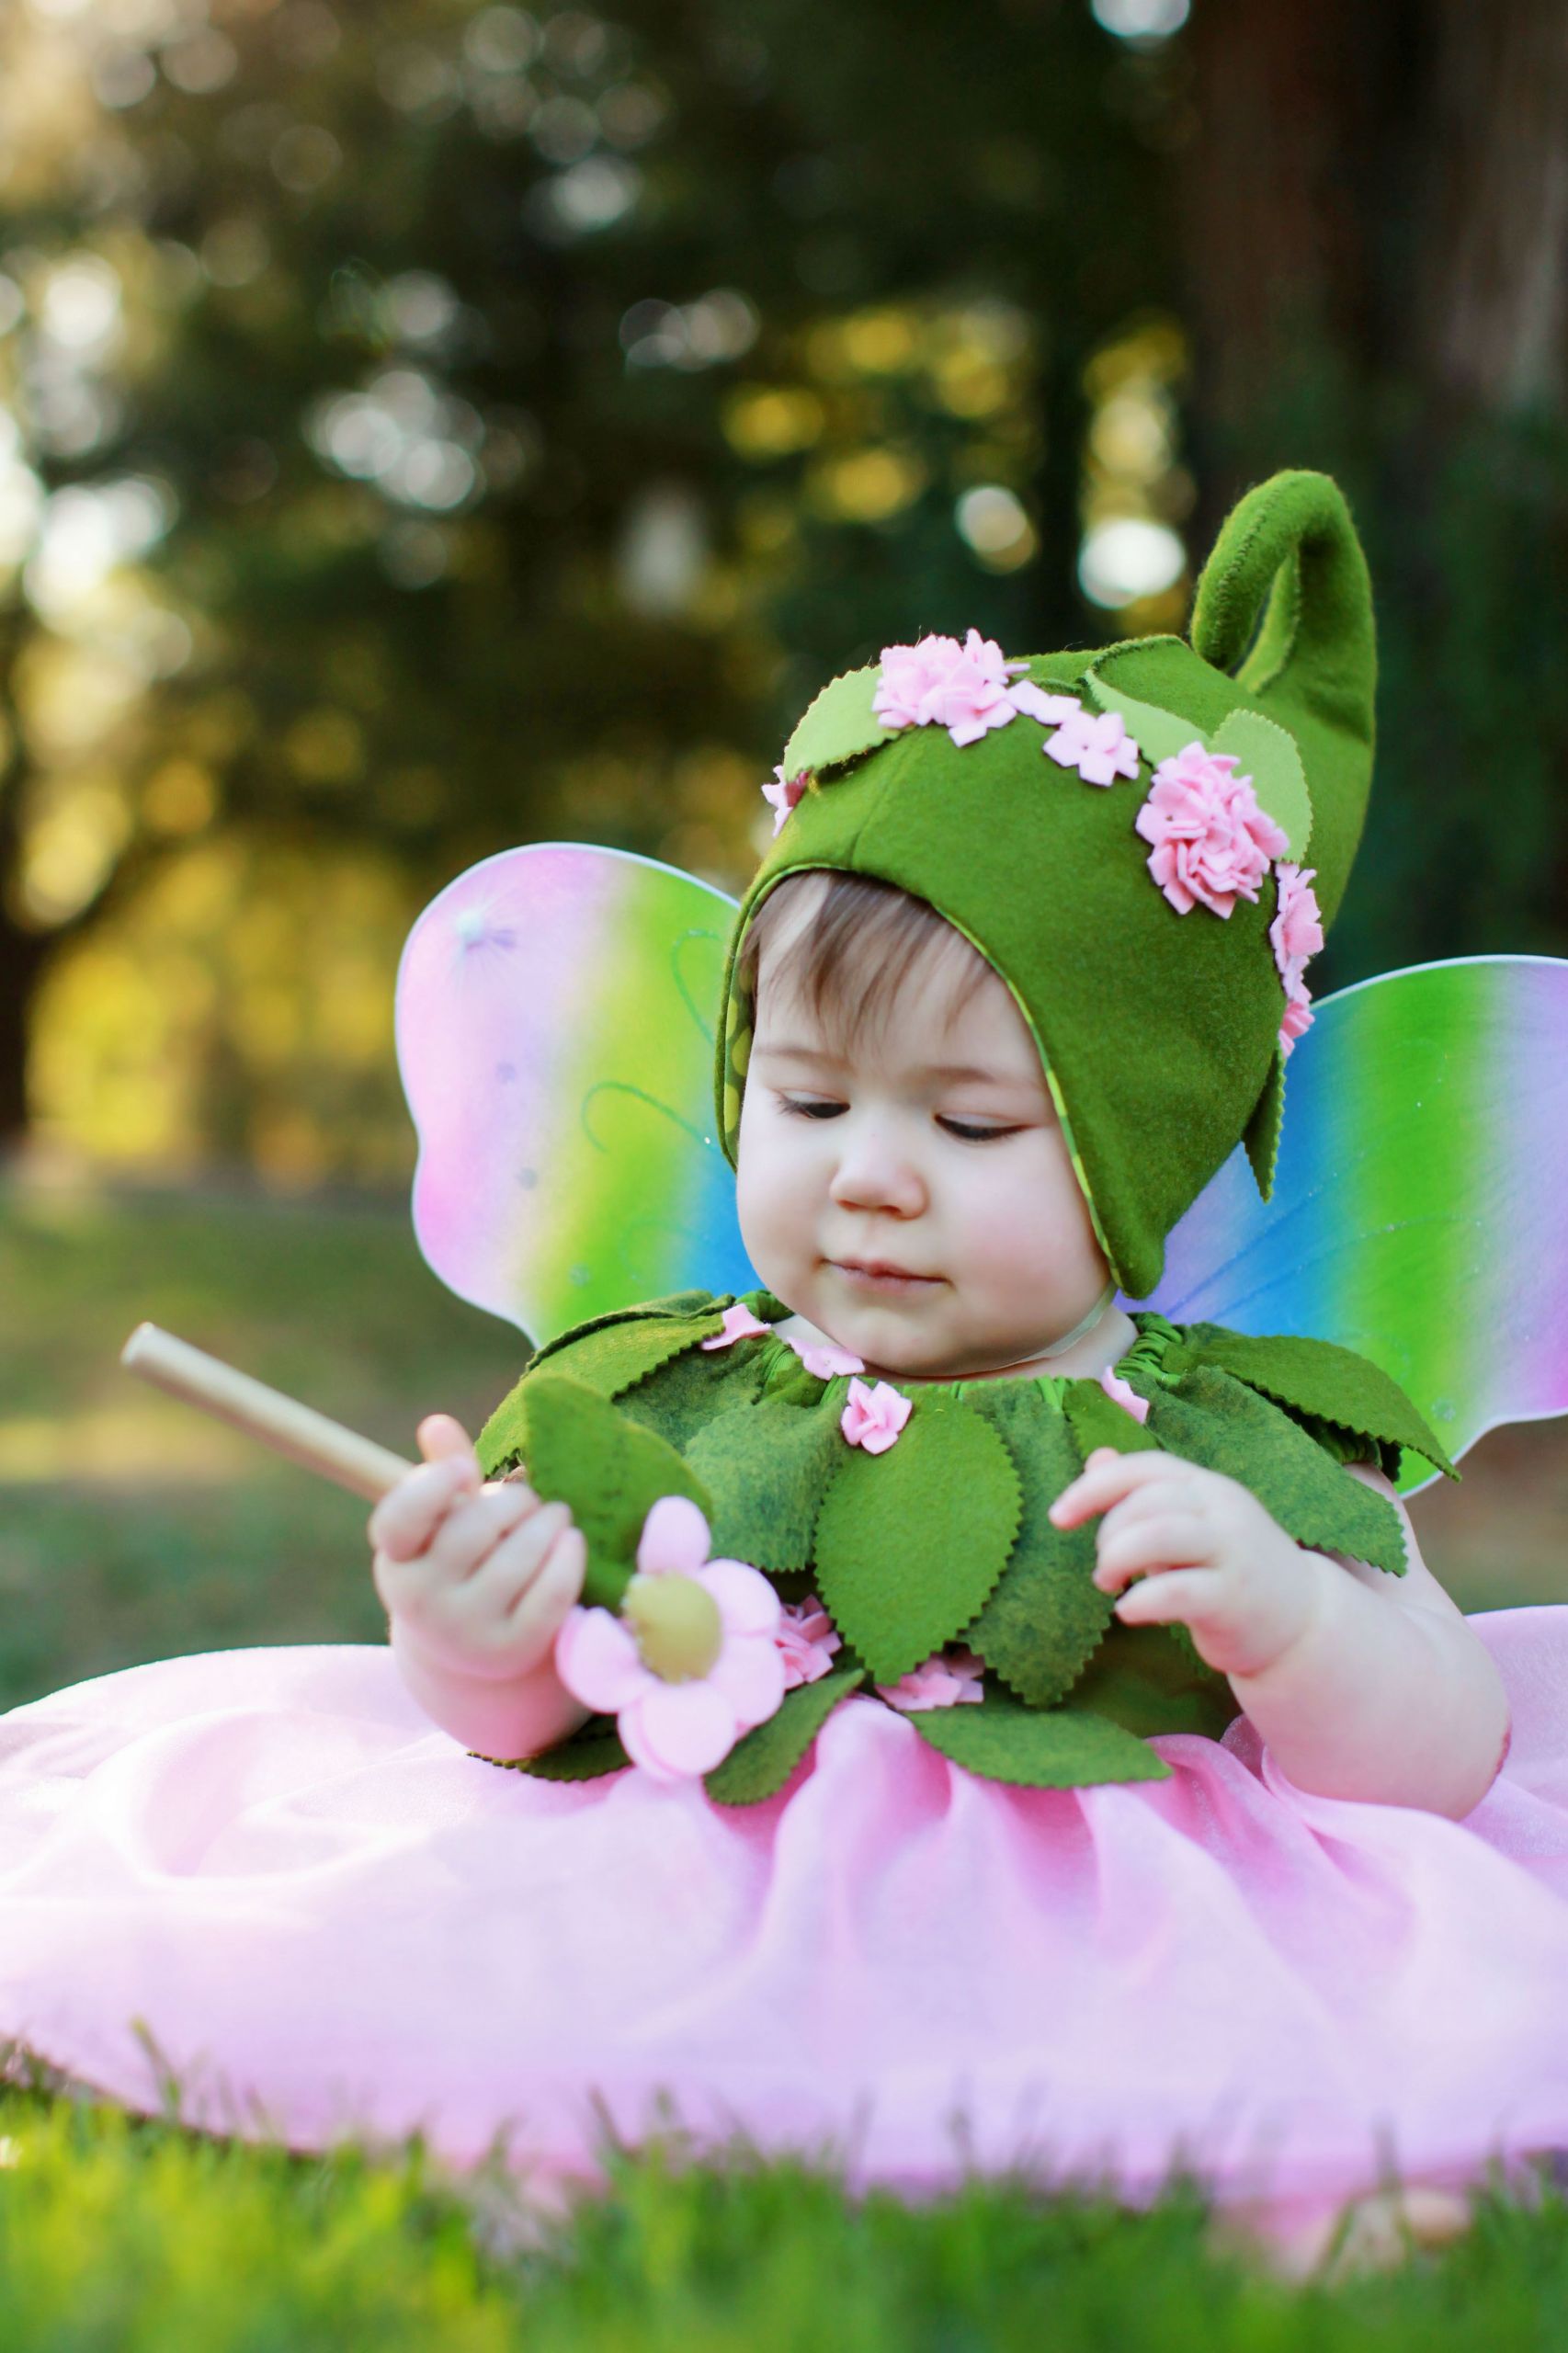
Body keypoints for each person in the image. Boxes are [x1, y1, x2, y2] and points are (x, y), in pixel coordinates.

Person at [2, 472, 1567, 2259]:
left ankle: (1309, 2182)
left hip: (1115, 1913)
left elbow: (1437, 1756)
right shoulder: (678, 1389)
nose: (868, 1168)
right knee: (502, 1999)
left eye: (972, 1118)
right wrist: (475, 1631)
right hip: (706, 1881)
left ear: (1151, 1142)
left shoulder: (1240, 1427)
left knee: (1318, 2077)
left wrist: (1290, 1622)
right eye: (807, 1098)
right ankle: (529, 2143)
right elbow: (541, 1730)